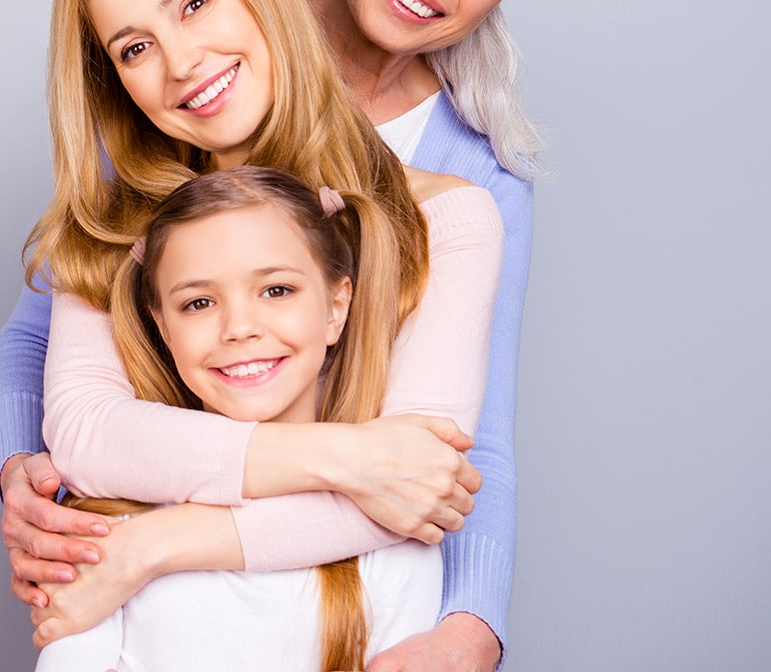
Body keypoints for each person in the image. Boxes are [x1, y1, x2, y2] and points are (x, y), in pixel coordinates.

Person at [0, 0, 587, 670]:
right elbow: (72, 406)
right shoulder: (134, 180)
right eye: (132, 48)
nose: (182, 61)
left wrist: (471, 630)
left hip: (354, 612)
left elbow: (448, 461)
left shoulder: (457, 202)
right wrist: (24, 470)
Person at [34, 166, 502, 672]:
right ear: (163, 328)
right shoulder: (104, 535)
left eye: (276, 290)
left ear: (336, 307)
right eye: (199, 302)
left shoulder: (393, 536)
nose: (239, 328)